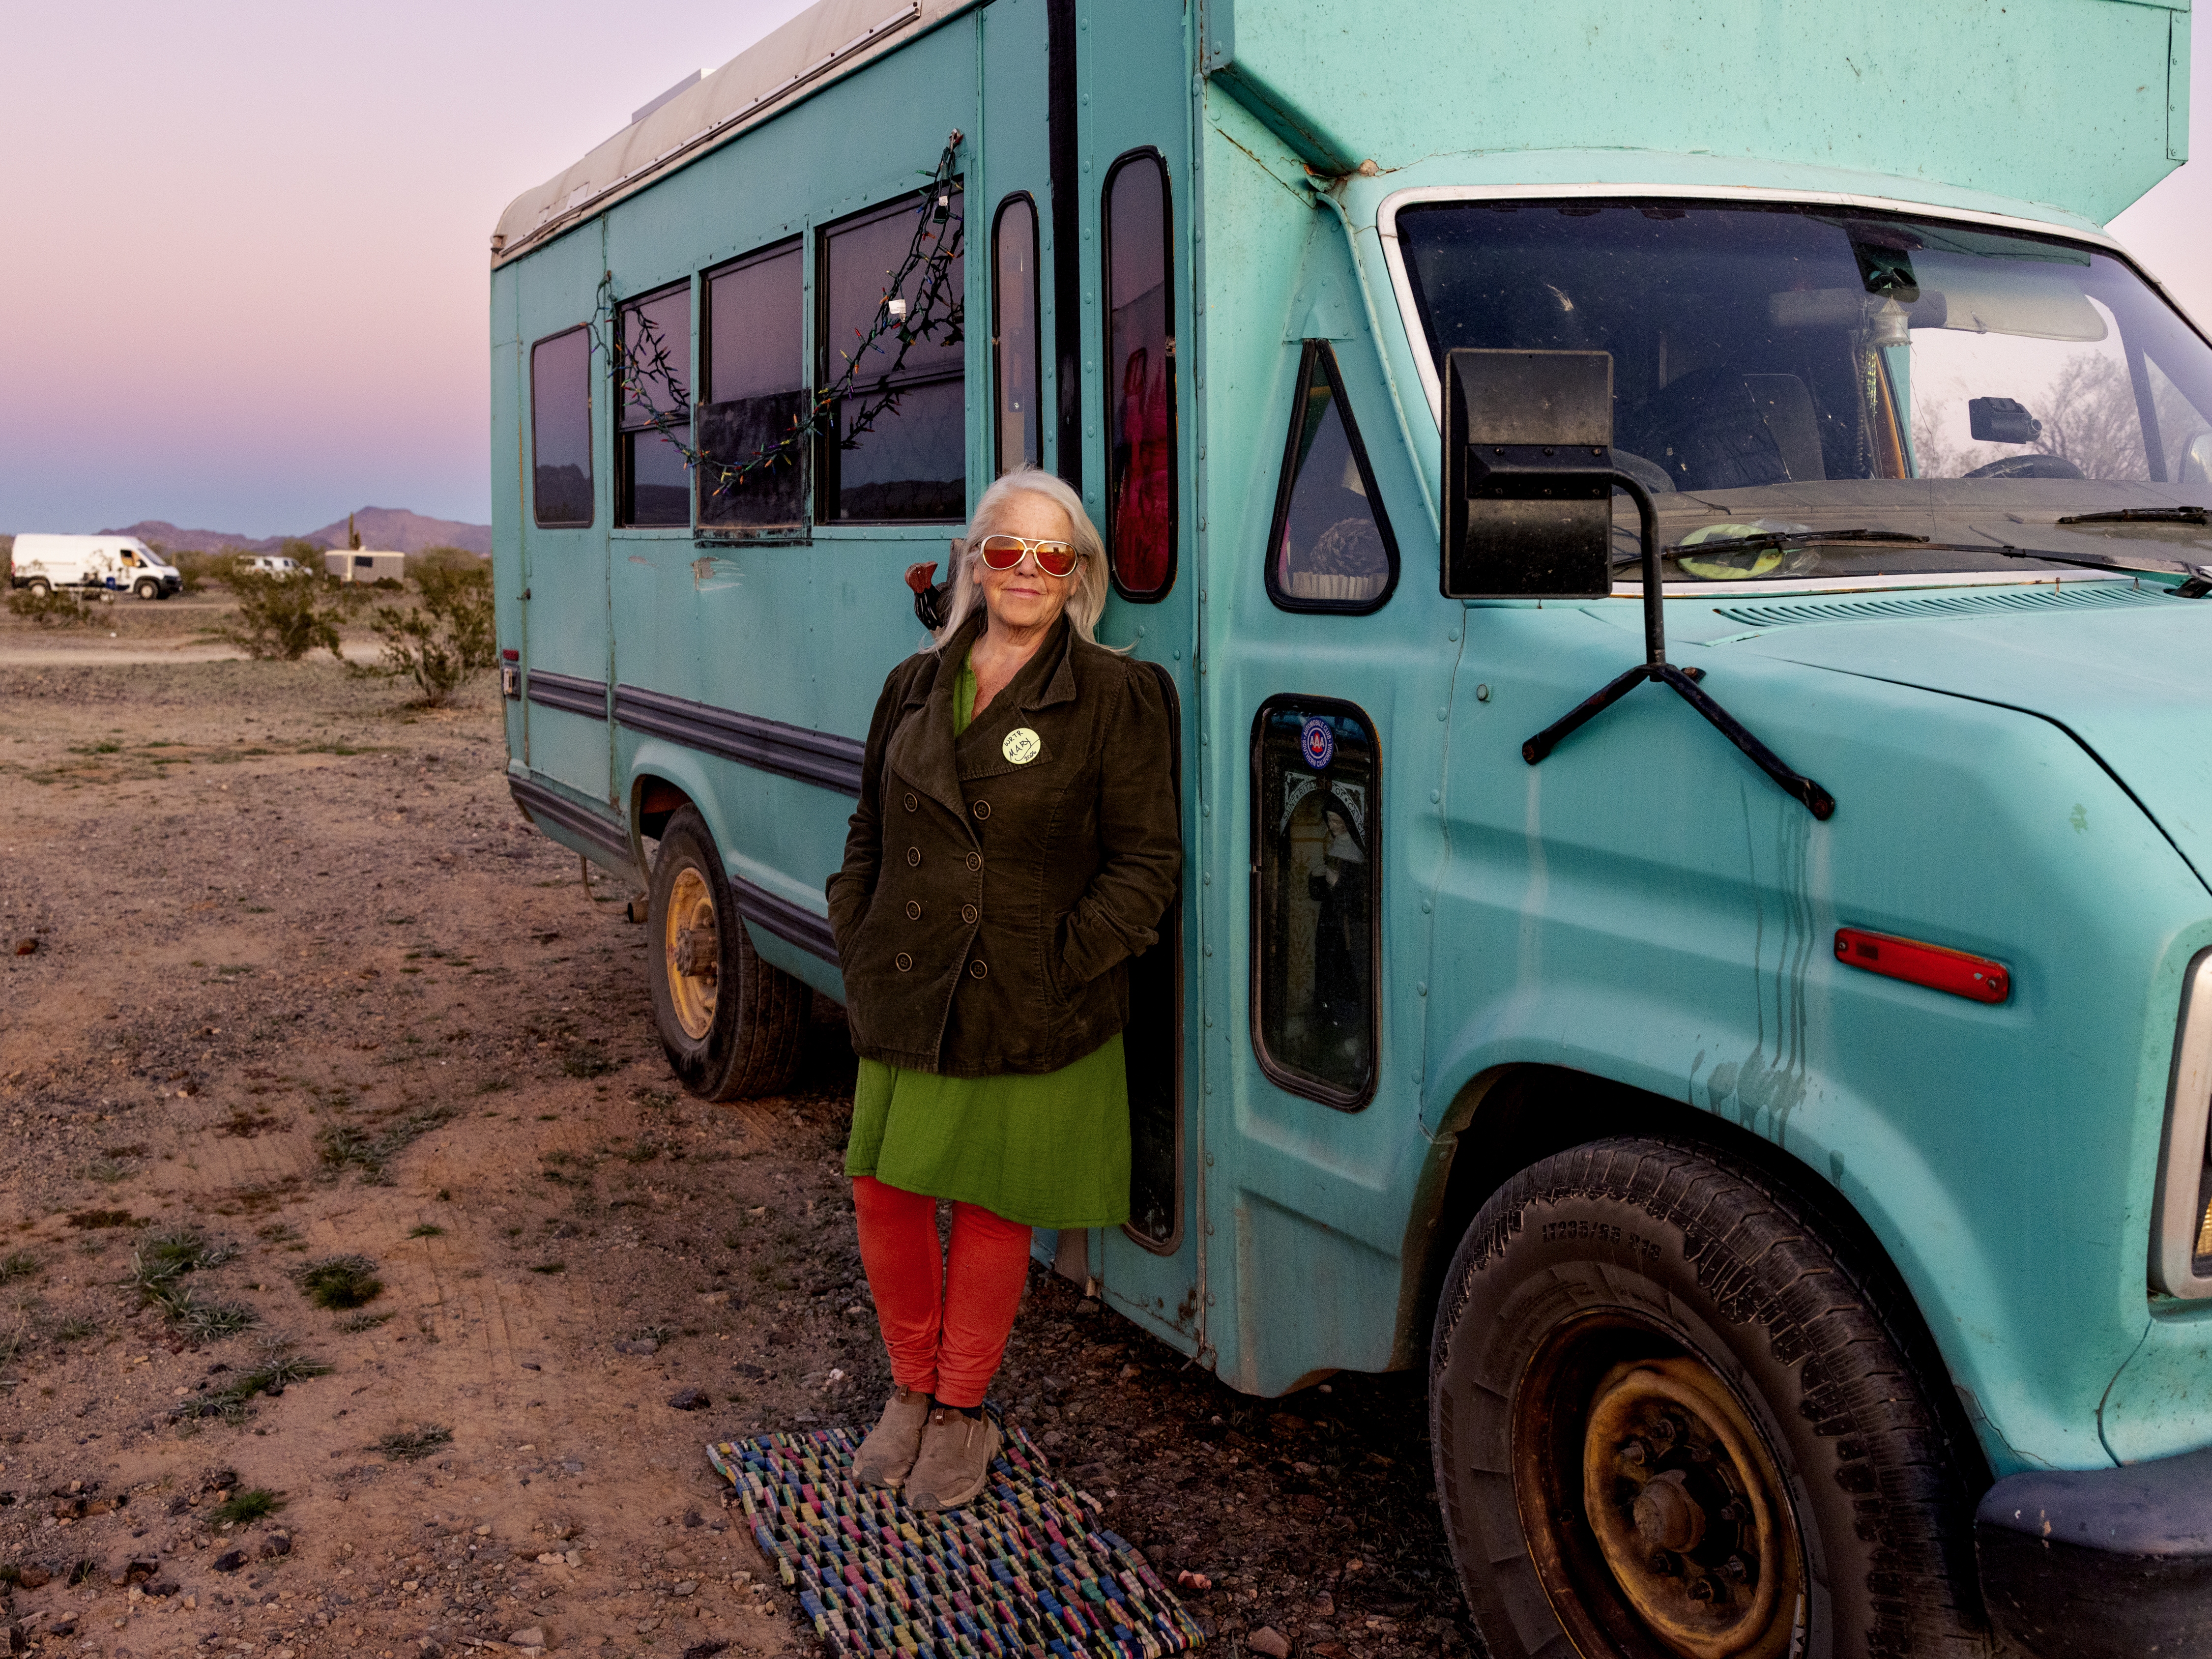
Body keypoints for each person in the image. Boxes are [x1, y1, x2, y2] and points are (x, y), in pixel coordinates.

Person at [826, 466, 1182, 1512]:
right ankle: (909, 1385)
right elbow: (868, 827)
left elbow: (1146, 865)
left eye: (1050, 553)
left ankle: (959, 1410)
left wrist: (1058, 965)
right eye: (1007, 549)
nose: (1027, 569)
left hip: (1027, 996)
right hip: (907, 981)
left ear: (1076, 574)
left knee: (992, 1203)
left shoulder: (1115, 694)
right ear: (976, 563)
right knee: (884, 1191)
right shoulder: (912, 683)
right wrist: (857, 927)